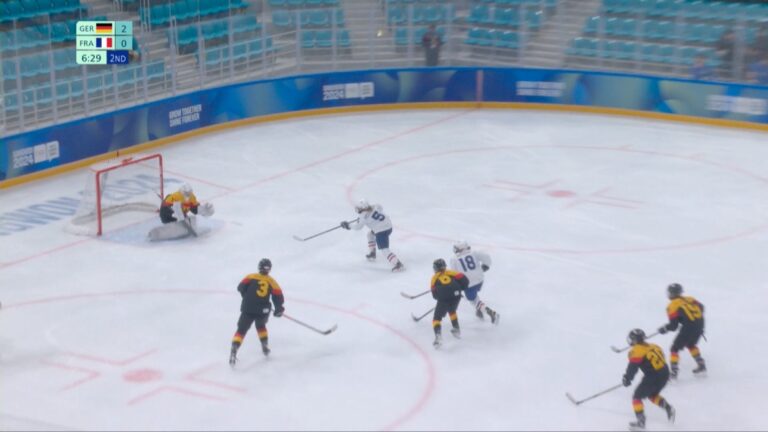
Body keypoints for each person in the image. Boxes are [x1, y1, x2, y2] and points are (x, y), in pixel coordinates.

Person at [230, 258, 285, 365]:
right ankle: (264, 345)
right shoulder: (271, 281)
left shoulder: (250, 276)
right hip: (263, 309)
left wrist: (247, 297)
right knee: (261, 326)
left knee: (241, 330)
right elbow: (278, 295)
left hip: (247, 307)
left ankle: (235, 346)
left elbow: (240, 287)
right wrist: (279, 308)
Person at [622, 328, 676, 431]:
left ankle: (641, 422)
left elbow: (633, 367)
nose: (631, 341)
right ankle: (669, 408)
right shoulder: (654, 346)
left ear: (635, 340)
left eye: (632, 339)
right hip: (665, 373)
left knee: (636, 397)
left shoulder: (637, 350)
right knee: (651, 395)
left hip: (653, 376)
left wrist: (627, 378)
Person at [340, 199, 405, 272]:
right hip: (389, 227)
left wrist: (348, 225)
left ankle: (398, 264)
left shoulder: (363, 217)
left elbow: (358, 227)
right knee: (370, 235)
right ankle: (372, 253)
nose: (358, 209)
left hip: (381, 231)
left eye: (359, 208)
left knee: (384, 250)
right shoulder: (375, 206)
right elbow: (380, 207)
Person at [657, 283, 706, 378]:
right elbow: (702, 307)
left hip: (689, 328)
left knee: (674, 349)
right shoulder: (691, 298)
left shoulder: (672, 306)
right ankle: (701, 364)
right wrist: (688, 319)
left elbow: (673, 326)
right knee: (691, 345)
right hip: (700, 325)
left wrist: (664, 329)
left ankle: (674, 373)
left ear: (672, 294)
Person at [449, 240, 499, 324]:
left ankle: (492, 313)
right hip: (480, 279)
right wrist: (485, 266)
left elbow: (454, 274)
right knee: (474, 294)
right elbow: (486, 257)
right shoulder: (473, 253)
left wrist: (456, 286)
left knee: (473, 300)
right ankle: (478, 309)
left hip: (468, 283)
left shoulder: (454, 259)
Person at [149, 183, 214, 241]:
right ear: (181, 192)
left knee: (192, 219)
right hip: (167, 216)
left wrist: (204, 210)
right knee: (178, 226)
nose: (188, 195)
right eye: (186, 193)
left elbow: (195, 209)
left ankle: (183, 229)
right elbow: (165, 209)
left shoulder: (192, 197)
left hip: (181, 217)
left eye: (189, 193)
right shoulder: (176, 196)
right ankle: (159, 233)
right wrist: (177, 215)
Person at [430, 258, 468, 348]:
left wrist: (441, 299)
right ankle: (456, 329)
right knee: (452, 310)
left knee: (437, 318)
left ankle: (438, 337)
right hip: (456, 296)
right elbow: (465, 280)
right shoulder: (451, 272)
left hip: (444, 299)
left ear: (435, 268)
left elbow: (434, 296)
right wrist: (460, 289)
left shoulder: (434, 278)